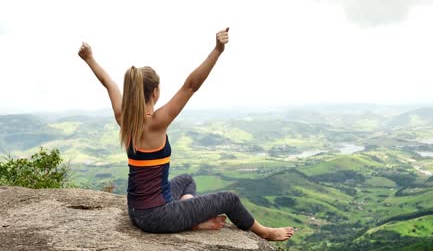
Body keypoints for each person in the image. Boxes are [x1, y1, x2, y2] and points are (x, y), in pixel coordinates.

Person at [78, 28, 294, 241]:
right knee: (230, 199)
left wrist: (89, 59)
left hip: (136, 212)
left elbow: (110, 84)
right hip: (158, 216)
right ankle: (264, 232)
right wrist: (217, 50)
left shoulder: (123, 119)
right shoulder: (156, 123)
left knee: (186, 180)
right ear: (155, 92)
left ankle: (190, 218)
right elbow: (190, 86)